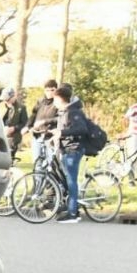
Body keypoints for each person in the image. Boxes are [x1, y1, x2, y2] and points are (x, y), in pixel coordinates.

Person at [52, 83, 89, 223]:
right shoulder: (64, 112)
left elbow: (81, 129)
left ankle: (73, 213)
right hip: (66, 148)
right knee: (67, 179)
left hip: (73, 149)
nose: (54, 103)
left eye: (55, 100)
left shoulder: (73, 112)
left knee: (71, 181)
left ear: (61, 99)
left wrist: (62, 132)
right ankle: (72, 208)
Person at [26, 79, 60, 165]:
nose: (49, 93)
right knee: (37, 162)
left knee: (50, 162)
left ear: (56, 90)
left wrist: (45, 121)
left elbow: (60, 118)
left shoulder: (58, 103)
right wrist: (28, 126)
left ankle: (49, 178)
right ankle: (37, 178)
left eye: (52, 90)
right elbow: (33, 114)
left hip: (50, 136)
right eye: (47, 90)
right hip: (37, 135)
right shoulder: (40, 101)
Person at [0, 87, 27, 163]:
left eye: (8, 99)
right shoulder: (0, 107)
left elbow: (24, 123)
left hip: (13, 138)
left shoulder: (21, 108)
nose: (6, 101)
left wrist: (14, 128)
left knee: (9, 160)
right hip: (0, 136)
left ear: (14, 96)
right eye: (5, 99)